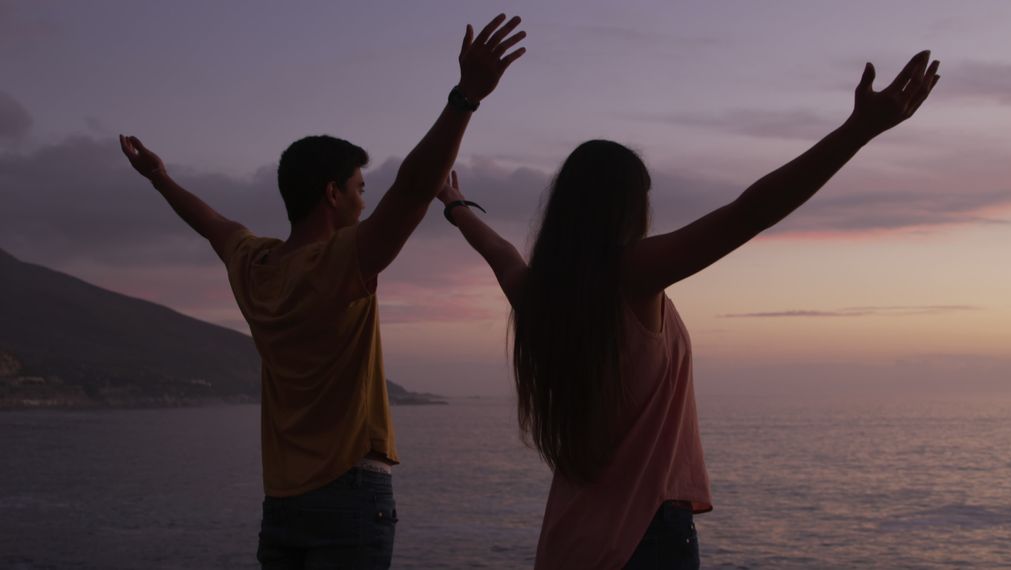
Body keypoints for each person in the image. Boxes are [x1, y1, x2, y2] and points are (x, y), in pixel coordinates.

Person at [438, 51, 940, 569]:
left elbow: (499, 252)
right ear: (627, 206)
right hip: (643, 541)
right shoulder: (634, 274)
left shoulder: (539, 294)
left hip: (568, 543)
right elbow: (749, 212)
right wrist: (857, 131)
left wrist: (454, 205)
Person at [118, 13, 526, 569]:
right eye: (360, 188)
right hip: (349, 497)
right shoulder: (341, 261)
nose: (365, 199)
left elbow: (209, 220)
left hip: (281, 505)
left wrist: (159, 178)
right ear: (332, 194)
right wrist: (465, 98)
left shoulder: (254, 264)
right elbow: (412, 188)